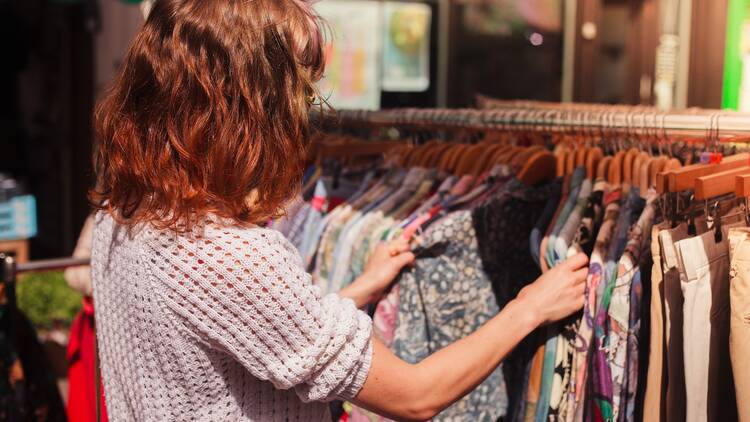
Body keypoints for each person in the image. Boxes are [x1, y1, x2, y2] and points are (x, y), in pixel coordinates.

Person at [89, 1, 589, 421]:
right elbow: (415, 395)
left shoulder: (120, 216)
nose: (305, 109)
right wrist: (530, 307)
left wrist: (357, 291)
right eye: (297, 92)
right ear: (246, 109)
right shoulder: (229, 255)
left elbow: (240, 335)